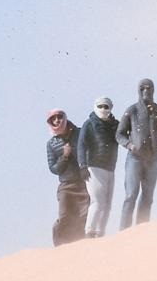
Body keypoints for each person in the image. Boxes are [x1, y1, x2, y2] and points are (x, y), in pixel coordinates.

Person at [115, 78, 157, 229]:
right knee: (131, 195)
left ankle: (141, 230)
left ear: (153, 90)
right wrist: (130, 145)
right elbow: (119, 134)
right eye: (142, 88)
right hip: (135, 158)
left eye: (148, 88)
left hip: (152, 159)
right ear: (139, 90)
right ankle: (124, 231)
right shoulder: (132, 110)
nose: (146, 91)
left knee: (148, 196)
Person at [46, 109, 90, 246]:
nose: (57, 121)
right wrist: (64, 156)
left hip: (84, 183)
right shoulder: (51, 143)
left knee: (84, 217)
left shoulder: (79, 133)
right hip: (66, 185)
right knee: (64, 217)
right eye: (53, 119)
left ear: (64, 118)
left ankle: (83, 247)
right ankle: (60, 249)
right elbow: (53, 169)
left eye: (59, 117)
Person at [77, 96, 119, 238]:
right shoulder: (89, 124)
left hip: (110, 168)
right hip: (94, 167)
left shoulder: (114, 125)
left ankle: (100, 233)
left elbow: (124, 134)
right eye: (100, 106)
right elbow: (81, 145)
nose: (103, 109)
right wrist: (82, 165)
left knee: (107, 203)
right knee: (98, 201)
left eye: (106, 106)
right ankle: (89, 231)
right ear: (95, 107)